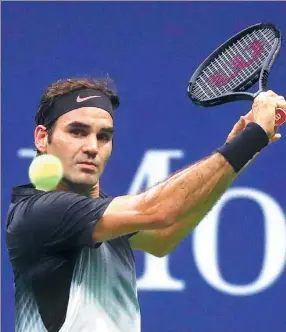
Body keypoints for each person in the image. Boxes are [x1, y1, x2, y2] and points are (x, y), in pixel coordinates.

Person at [6, 77, 285, 332]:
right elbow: (158, 210)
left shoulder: (100, 215)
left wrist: (235, 160)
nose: (92, 147)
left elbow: (162, 239)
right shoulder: (40, 214)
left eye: (103, 136)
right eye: (77, 132)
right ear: (43, 138)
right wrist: (254, 136)